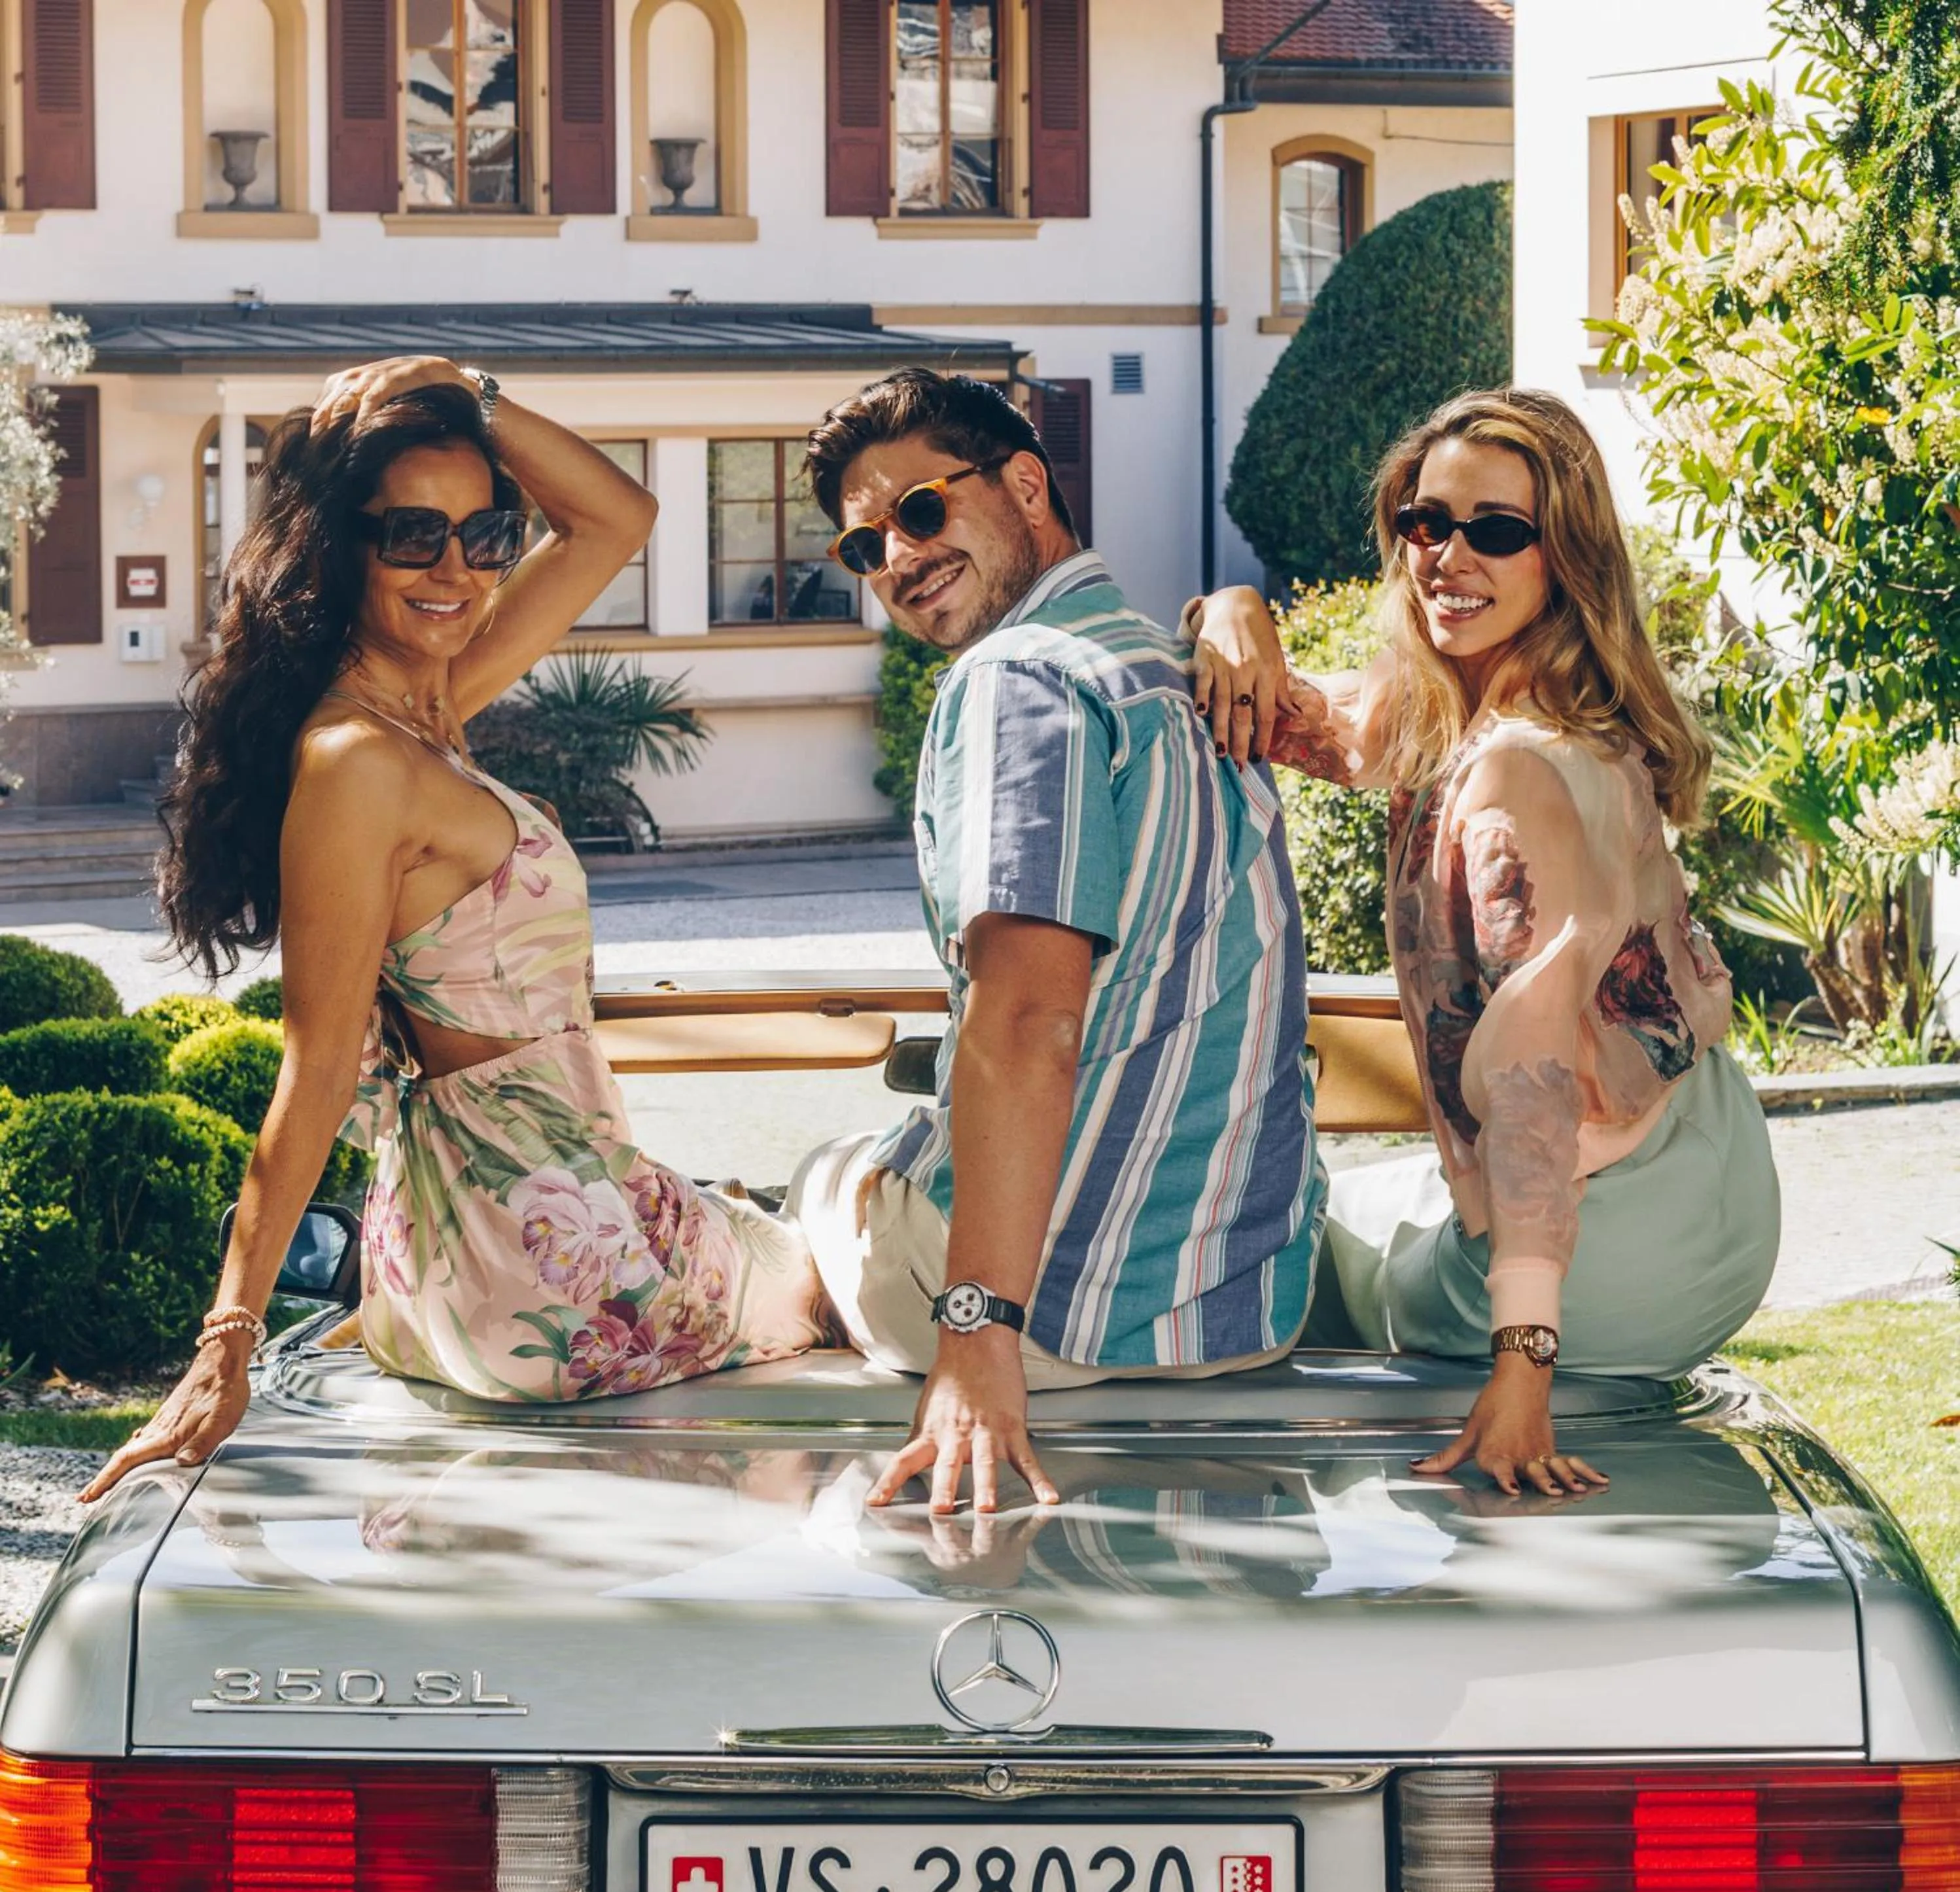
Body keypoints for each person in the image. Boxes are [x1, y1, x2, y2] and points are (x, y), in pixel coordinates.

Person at [81, 359, 828, 1501]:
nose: (458, 570)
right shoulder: (358, 765)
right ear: (338, 548)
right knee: (863, 1219)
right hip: (546, 1263)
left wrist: (467, 391)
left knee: (841, 1209)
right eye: (413, 535)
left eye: (487, 537)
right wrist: (225, 1342)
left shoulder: (425, 706)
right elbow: (318, 1062)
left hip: (526, 1237)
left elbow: (617, 517)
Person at [1187, 386, 1779, 1498]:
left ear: (1565, 558)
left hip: (1615, 1246)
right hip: (1706, 1165)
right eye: (1425, 522)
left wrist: (1523, 1370)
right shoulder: (1509, 717)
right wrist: (1227, 608)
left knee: (1271, 1238)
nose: (1448, 557)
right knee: (1358, 1202)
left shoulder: (1510, 772)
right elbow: (1295, 717)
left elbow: (1536, 1078)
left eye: (1497, 531)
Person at [789, 369, 1325, 1517]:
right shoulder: (1187, 677)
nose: (897, 558)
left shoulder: (1016, 680)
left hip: (1056, 1322)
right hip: (1234, 1310)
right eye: (863, 549)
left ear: (1026, 483)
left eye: (921, 511)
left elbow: (1029, 1019)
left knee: (815, 1184)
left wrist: (977, 1333)